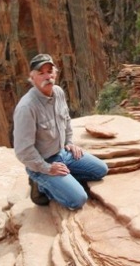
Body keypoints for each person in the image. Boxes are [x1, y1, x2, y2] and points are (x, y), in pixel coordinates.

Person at [13, 53, 108, 209]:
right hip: (43, 163)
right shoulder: (27, 107)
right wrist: (47, 169)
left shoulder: (58, 92)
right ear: (32, 78)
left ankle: (63, 180)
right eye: (41, 73)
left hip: (62, 153)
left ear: (55, 73)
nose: (47, 76)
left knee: (100, 170)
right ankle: (41, 185)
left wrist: (69, 143)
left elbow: (66, 120)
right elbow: (23, 150)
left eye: (50, 71)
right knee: (78, 199)